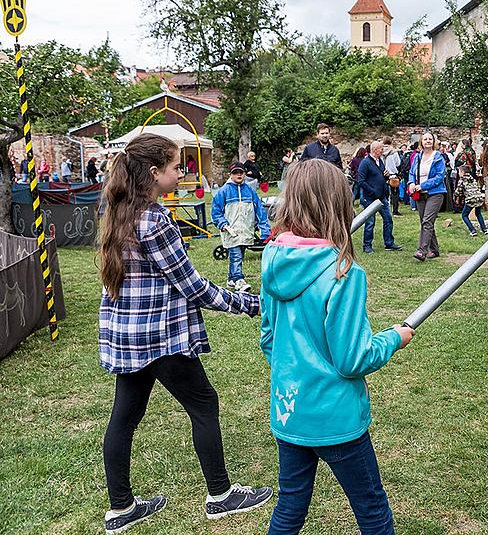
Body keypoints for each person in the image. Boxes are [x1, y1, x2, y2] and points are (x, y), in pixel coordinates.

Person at [97, 134, 272, 535]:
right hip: (159, 337)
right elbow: (192, 286)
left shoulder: (118, 210)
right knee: (204, 404)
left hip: (128, 336)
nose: (182, 173)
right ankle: (221, 496)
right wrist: (249, 303)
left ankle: (120, 508)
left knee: (124, 416)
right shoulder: (155, 219)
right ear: (155, 173)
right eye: (177, 167)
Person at [259, 158, 415, 535]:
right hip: (336, 418)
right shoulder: (344, 272)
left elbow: (269, 339)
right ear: (338, 204)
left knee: (291, 502)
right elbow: (352, 358)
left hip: (289, 410)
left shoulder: (273, 257)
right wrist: (395, 337)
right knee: (372, 507)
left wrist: (295, 373)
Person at [211, 162, 271, 293]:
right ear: (230, 175)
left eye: (241, 172)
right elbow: (216, 212)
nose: (238, 175)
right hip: (230, 231)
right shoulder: (223, 192)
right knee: (236, 255)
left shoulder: (250, 191)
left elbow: (260, 211)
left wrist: (265, 230)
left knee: (239, 254)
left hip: (246, 231)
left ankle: (231, 279)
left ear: (245, 174)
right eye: (235, 172)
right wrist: (222, 223)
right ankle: (239, 280)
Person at [358, 140, 402, 254]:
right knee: (370, 222)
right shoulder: (365, 162)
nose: (383, 150)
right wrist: (372, 192)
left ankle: (389, 243)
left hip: (382, 196)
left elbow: (381, 176)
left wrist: (386, 176)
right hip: (370, 198)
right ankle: (367, 245)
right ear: (374, 150)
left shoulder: (380, 161)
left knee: (388, 219)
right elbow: (361, 181)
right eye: (381, 149)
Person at [408, 132, 447, 261]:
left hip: (435, 193)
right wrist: (412, 183)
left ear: (434, 142)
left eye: (430, 139)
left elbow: (439, 177)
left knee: (427, 221)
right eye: (425, 139)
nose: (428, 141)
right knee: (426, 222)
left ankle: (422, 250)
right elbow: (412, 172)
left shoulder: (438, 157)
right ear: (421, 142)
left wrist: (423, 185)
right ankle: (434, 250)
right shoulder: (418, 157)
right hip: (420, 194)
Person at [455, 164, 488, 236]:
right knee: (478, 213)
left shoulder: (462, 180)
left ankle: (473, 230)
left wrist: (456, 195)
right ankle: (485, 229)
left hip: (471, 199)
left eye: (459, 172)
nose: (458, 173)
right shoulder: (473, 178)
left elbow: (458, 192)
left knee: (464, 215)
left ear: (462, 172)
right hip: (479, 198)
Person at [382, 136, 402, 216]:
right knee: (395, 194)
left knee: (383, 193)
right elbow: (398, 163)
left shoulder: (381, 151)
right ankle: (395, 210)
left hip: (383, 173)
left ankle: (384, 209)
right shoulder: (394, 152)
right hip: (393, 174)